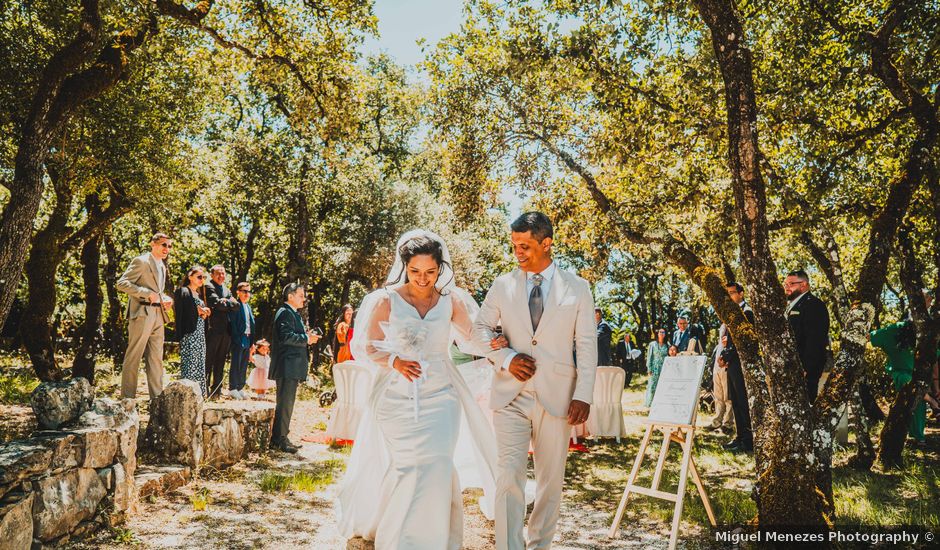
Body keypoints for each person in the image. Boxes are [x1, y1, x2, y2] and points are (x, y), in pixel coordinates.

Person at [338, 230, 504, 549]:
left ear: (440, 268)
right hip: (397, 396)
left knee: (438, 460)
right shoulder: (386, 300)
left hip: (442, 394)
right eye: (415, 271)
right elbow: (365, 347)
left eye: (430, 272)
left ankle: (436, 538)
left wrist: (497, 343)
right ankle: (399, 536)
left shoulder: (450, 302)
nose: (422, 278)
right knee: (408, 464)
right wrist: (396, 360)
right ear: (405, 267)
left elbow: (472, 338)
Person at [473, 212, 597, 550]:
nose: (518, 253)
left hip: (558, 396)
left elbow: (586, 344)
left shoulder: (578, 288)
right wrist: (507, 358)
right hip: (509, 396)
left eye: (525, 246)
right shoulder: (503, 285)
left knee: (550, 481)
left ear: (547, 244)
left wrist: (584, 394)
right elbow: (478, 330)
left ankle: (540, 545)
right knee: (508, 477)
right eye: (514, 246)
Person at [116, 232, 174, 400]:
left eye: (169, 246)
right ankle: (127, 400)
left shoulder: (162, 265)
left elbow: (157, 291)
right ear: (153, 244)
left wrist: (164, 298)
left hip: (158, 314)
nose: (167, 249)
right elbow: (122, 283)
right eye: (164, 245)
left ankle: (156, 401)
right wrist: (146, 293)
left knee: (156, 359)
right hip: (141, 313)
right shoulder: (141, 261)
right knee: (134, 356)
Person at [269, 283, 321, 452]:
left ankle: (282, 437)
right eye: (300, 295)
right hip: (286, 366)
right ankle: (279, 440)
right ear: (290, 296)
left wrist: (307, 335)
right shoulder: (285, 312)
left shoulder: (293, 313)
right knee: (284, 403)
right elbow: (286, 337)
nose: (303, 298)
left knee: (287, 404)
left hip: (291, 366)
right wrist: (306, 338)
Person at [870, 320, 926, 447]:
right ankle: (933, 404)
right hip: (902, 375)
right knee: (910, 398)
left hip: (915, 375)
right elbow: (872, 337)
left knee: (918, 403)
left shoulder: (926, 330)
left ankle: (917, 436)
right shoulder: (894, 329)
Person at [718, 282, 755, 453]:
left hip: (741, 365)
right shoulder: (732, 313)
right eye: (728, 294)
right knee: (735, 402)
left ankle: (748, 440)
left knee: (743, 402)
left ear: (741, 293)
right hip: (731, 364)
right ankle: (740, 437)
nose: (730, 297)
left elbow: (743, 341)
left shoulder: (746, 312)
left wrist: (726, 355)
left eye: (732, 293)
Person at [784, 269, 831, 401]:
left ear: (803, 284)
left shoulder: (813, 304)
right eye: (785, 284)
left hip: (805, 370)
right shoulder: (790, 306)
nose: (787, 288)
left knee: (805, 407)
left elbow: (815, 340)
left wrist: (806, 368)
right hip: (790, 368)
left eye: (791, 284)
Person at [173, 266, 211, 396]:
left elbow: (197, 312)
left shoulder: (199, 295)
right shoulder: (183, 291)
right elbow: (181, 312)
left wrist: (204, 313)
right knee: (190, 363)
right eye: (199, 277)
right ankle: (188, 393)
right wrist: (198, 310)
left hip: (200, 334)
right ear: (190, 276)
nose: (202, 280)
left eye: (204, 277)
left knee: (200, 362)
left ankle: (199, 394)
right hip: (190, 334)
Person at [204, 265, 240, 399]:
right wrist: (226, 303)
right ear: (212, 275)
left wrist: (227, 303)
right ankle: (204, 389)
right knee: (208, 360)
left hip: (226, 331)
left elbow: (236, 306)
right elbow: (217, 304)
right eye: (218, 274)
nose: (221, 276)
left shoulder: (226, 289)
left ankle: (216, 392)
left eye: (223, 273)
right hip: (213, 329)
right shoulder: (209, 286)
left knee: (220, 361)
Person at [227, 282, 256, 399]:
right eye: (244, 291)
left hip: (248, 338)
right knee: (236, 363)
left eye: (249, 292)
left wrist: (252, 342)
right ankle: (233, 388)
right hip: (239, 337)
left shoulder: (248, 306)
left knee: (244, 363)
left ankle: (240, 387)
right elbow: (232, 324)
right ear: (238, 292)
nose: (247, 294)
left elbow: (251, 324)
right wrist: (237, 339)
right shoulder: (236, 305)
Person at [645, 328, 669, 407]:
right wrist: (649, 368)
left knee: (662, 385)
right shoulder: (652, 344)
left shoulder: (667, 345)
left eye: (663, 332)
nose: (661, 333)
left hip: (664, 368)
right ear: (657, 334)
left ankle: (661, 403)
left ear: (665, 334)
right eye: (660, 332)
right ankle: (651, 403)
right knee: (653, 385)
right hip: (654, 367)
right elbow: (649, 357)